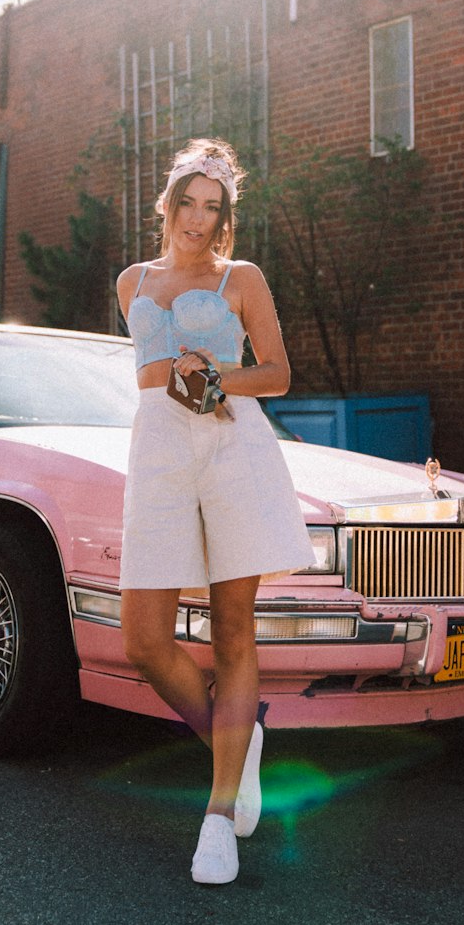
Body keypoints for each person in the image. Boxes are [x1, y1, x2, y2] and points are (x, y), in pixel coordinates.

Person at [116, 137, 315, 885]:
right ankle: (237, 740)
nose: (198, 219)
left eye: (214, 206)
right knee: (144, 640)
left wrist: (221, 378)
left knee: (234, 629)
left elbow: (280, 374)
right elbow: (147, 380)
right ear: (167, 202)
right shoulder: (131, 280)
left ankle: (217, 815)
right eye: (188, 202)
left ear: (224, 213)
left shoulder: (242, 278)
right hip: (158, 451)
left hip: (233, 448)